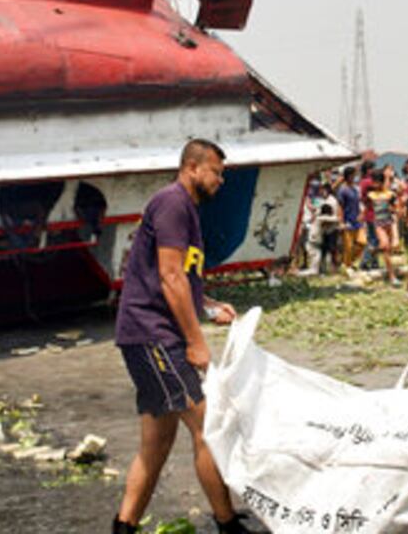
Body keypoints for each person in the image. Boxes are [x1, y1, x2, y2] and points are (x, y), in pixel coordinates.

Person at [112, 140, 253, 534]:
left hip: (153, 333)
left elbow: (180, 276)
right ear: (192, 167)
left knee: (156, 445)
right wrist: (196, 341)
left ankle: (124, 526)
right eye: (216, 172)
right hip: (153, 335)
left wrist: (208, 305)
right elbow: (170, 277)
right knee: (209, 428)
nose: (220, 180)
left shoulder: (185, 209)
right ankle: (228, 524)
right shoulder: (173, 203)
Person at [368, 165, 401, 285]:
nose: (374, 185)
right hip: (379, 224)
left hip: (389, 223)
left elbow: (396, 207)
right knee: (386, 247)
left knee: (390, 249)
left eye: (376, 182)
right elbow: (367, 208)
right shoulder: (371, 195)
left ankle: (376, 250)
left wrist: (395, 209)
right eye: (373, 182)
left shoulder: (389, 194)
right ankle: (392, 276)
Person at [337, 167, 363, 271]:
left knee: (362, 242)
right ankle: (347, 266)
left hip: (357, 220)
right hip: (347, 220)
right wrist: (341, 221)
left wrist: (361, 214)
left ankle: (348, 262)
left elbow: (358, 203)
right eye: (352, 175)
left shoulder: (356, 189)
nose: (354, 177)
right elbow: (340, 207)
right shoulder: (342, 190)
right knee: (348, 246)